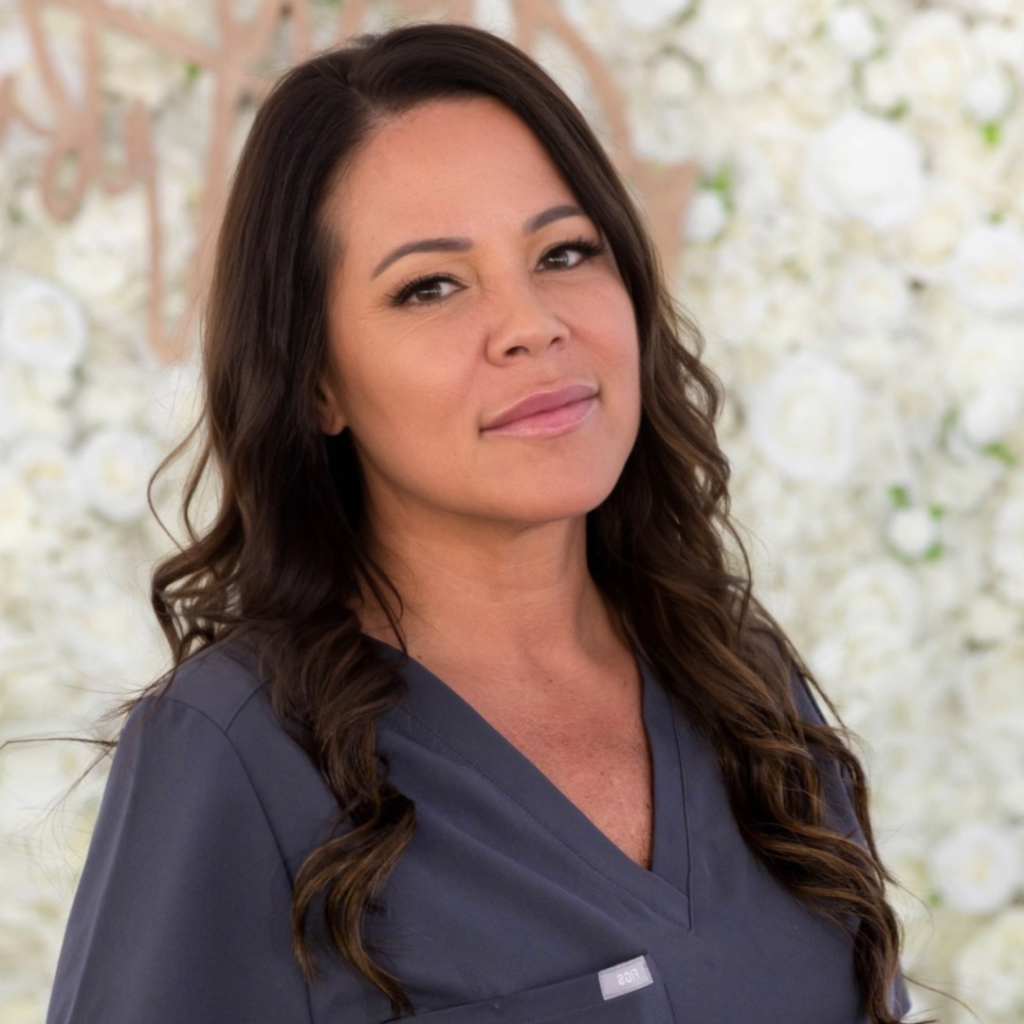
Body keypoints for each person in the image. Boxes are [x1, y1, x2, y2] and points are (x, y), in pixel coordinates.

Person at [46, 22, 916, 1024]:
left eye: (564, 251)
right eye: (430, 285)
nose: (531, 323)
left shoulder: (742, 687)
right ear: (316, 379)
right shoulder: (235, 751)